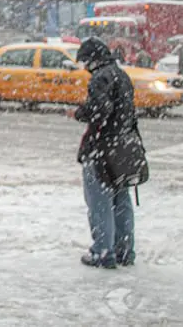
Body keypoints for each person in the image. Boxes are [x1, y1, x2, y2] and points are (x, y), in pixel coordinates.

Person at [67, 36, 137, 269]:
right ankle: (124, 250)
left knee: (99, 200)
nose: (85, 68)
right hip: (124, 147)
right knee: (121, 199)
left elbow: (99, 111)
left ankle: (102, 251)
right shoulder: (121, 75)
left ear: (92, 60)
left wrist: (79, 113)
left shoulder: (100, 78)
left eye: (85, 62)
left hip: (102, 149)